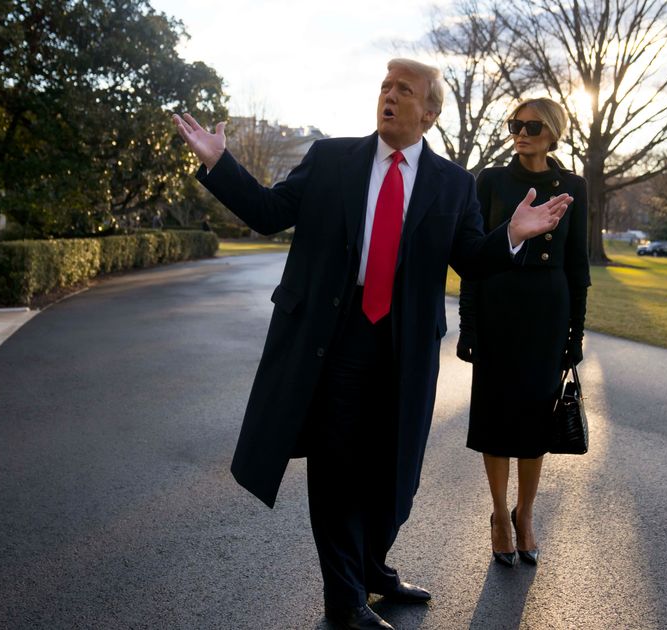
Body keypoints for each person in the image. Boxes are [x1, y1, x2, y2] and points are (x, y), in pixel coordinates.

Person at [173, 59, 571, 630]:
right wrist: (220, 162)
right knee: (336, 470)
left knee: (396, 472)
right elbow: (268, 213)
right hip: (335, 339)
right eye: (384, 87)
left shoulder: (451, 183)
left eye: (403, 91)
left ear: (429, 112)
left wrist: (510, 235)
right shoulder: (332, 158)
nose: (388, 96)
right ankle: (345, 601)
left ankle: (372, 566)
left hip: (404, 345)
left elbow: (471, 260)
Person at [456, 98, 590, 567]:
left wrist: (575, 335)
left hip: (547, 314)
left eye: (532, 125)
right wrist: (468, 324)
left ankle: (526, 515)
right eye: (515, 124)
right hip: (497, 306)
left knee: (536, 419)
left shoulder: (573, 186)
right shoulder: (491, 180)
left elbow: (578, 266)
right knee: (495, 417)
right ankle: (498, 515)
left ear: (552, 131)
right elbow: (473, 257)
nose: (521, 132)